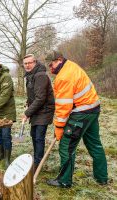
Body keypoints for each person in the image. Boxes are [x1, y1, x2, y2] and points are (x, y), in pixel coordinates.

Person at [45, 50, 108, 188]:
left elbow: (63, 106)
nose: (51, 68)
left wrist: (59, 127)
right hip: (93, 109)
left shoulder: (63, 77)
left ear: (60, 60)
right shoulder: (71, 65)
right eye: (49, 65)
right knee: (95, 144)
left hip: (82, 112)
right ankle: (102, 177)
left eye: (52, 64)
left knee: (66, 146)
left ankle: (64, 181)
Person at [22, 54, 55, 172]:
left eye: (29, 63)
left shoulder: (40, 76)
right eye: (25, 63)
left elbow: (40, 98)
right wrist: (28, 102)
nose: (27, 65)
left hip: (44, 110)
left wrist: (27, 113)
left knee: (39, 137)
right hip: (37, 110)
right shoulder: (30, 75)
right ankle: (36, 159)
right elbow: (33, 95)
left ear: (35, 62)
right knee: (34, 135)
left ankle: (37, 164)